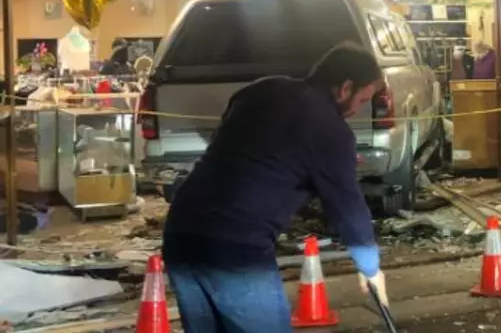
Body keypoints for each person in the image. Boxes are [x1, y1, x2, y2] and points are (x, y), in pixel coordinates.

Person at [162, 42, 389, 331]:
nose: (358, 110)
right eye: (362, 99)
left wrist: (325, 163)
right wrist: (370, 268)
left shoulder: (262, 89)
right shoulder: (331, 129)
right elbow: (348, 207)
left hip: (181, 232)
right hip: (235, 246)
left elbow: (252, 145)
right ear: (345, 88)